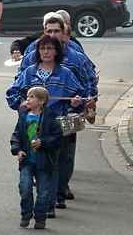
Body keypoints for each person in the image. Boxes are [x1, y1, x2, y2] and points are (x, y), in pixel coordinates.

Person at [6, 35, 86, 218]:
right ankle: (31, 204)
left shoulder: (65, 73)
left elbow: (80, 96)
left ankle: (48, 204)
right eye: (43, 49)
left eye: (50, 48)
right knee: (31, 162)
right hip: (31, 126)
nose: (46, 52)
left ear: (57, 51)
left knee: (53, 164)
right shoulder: (29, 73)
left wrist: (76, 102)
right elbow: (12, 93)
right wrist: (21, 106)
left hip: (55, 127)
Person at [10, 86, 62, 230]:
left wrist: (43, 143)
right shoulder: (24, 116)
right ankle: (26, 213)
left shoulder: (50, 118)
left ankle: (40, 217)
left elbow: (57, 138)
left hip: (44, 161)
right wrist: (17, 150)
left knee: (44, 192)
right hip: (27, 159)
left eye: (32, 97)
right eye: (28, 96)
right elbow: (17, 135)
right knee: (24, 187)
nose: (28, 99)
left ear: (42, 101)